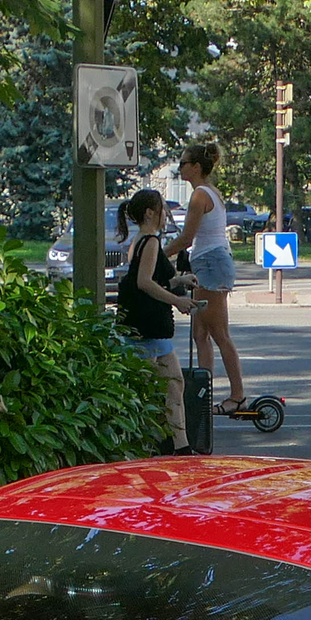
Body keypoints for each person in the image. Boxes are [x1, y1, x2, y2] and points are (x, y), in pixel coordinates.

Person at [166, 142, 247, 418]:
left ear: (196, 167)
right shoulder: (208, 192)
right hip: (207, 263)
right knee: (199, 334)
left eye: (183, 164)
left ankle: (238, 396)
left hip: (211, 265)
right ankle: (203, 394)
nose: (180, 169)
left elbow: (187, 237)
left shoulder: (201, 195)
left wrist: (157, 253)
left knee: (219, 333)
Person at [117, 189, 200, 454]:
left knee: (172, 384)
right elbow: (144, 282)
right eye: (163, 209)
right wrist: (178, 300)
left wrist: (178, 282)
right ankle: (172, 446)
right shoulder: (151, 241)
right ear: (150, 213)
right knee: (166, 387)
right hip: (150, 331)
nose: (166, 214)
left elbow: (151, 279)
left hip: (145, 329)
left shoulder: (139, 241)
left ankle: (177, 445)